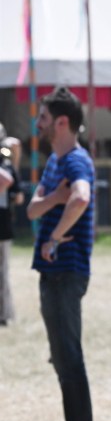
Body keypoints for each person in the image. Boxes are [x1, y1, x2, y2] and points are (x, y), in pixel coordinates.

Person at [27, 87, 96, 421]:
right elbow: (32, 211)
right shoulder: (55, 161)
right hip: (52, 272)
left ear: (61, 121)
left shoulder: (75, 161)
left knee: (69, 355)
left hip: (66, 271)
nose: (37, 123)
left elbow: (81, 196)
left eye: (42, 117)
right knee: (62, 355)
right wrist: (53, 199)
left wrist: (54, 238)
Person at [0, 126, 23, 325]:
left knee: (2, 273)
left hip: (3, 228)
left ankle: (5, 315)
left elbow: (17, 194)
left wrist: (16, 156)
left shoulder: (6, 166)